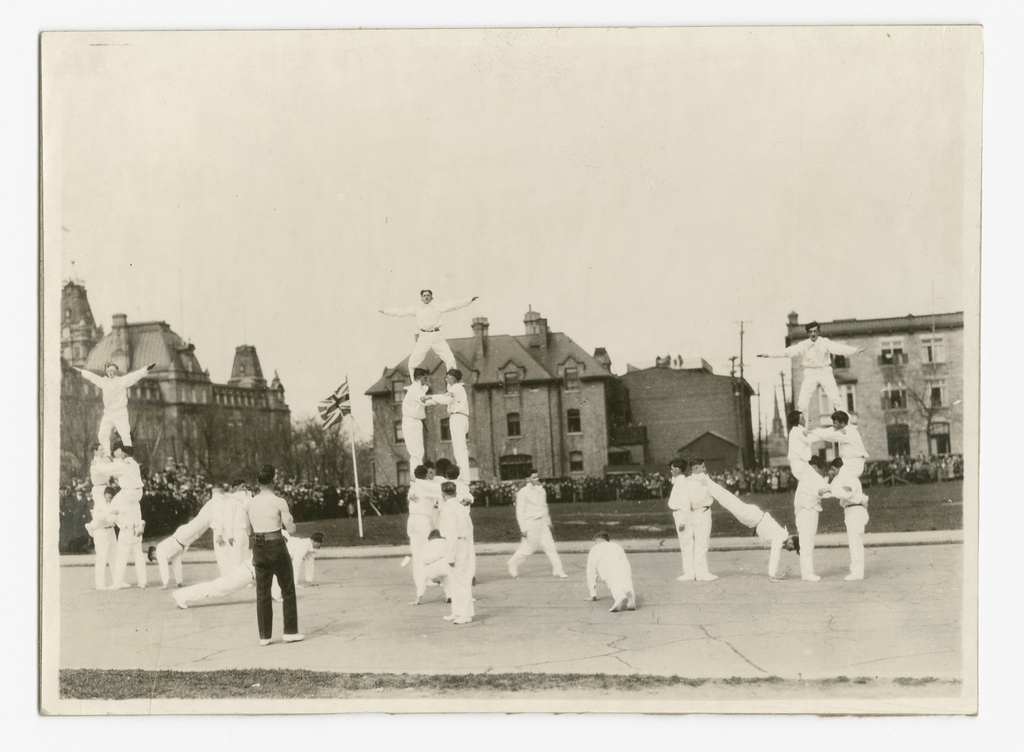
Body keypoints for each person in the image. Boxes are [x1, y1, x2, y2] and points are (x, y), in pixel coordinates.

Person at [698, 474, 798, 580]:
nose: (789, 550)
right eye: (792, 549)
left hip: (753, 516)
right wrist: (772, 574)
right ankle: (707, 482)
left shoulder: (783, 534)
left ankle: (708, 482)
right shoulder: (781, 537)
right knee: (727, 500)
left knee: (727, 500)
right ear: (791, 542)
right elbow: (775, 555)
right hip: (751, 517)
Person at [246, 464, 302, 646]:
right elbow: (291, 529)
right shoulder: (279, 502)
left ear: (258, 482)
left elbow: (248, 530)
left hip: (258, 546)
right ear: (273, 480)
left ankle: (265, 636)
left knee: (262, 591)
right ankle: (290, 632)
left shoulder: (250, 503)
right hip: (275, 544)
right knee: (287, 588)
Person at [757, 321, 864, 414]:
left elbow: (838, 348)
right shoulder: (804, 345)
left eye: (815, 331)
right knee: (802, 402)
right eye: (811, 331)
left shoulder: (824, 342)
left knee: (835, 398)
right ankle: (804, 426)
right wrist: (769, 354)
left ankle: (845, 422)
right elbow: (788, 351)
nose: (813, 334)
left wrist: (854, 350)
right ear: (807, 333)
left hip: (824, 371)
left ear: (818, 332)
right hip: (810, 373)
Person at [380, 290, 479, 372]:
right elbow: (400, 312)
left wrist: (470, 300)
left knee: (450, 359)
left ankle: (452, 383)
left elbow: (454, 305)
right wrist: (385, 311)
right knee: (412, 362)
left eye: (428, 295)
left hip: (436, 336)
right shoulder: (417, 309)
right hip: (423, 337)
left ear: (432, 297)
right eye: (424, 295)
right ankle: (414, 384)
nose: (426, 297)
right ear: (421, 298)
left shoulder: (438, 307)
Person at [73, 361, 156, 454]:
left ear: (116, 371)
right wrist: (81, 372)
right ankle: (106, 455)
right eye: (108, 370)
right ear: (107, 372)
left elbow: (134, 375)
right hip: (108, 413)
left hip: (120, 413)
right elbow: (93, 377)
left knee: (125, 435)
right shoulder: (104, 382)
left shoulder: (122, 381)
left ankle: (128, 456)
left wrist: (146, 369)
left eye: (112, 370)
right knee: (102, 434)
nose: (110, 372)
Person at [507, 470, 568, 579]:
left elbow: (544, 507)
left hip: (542, 523)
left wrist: (548, 522)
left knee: (551, 547)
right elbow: (520, 512)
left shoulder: (541, 490)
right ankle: (512, 563)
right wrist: (523, 529)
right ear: (527, 479)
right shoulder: (523, 492)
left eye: (537, 477)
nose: (537, 479)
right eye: (534, 477)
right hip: (530, 524)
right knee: (527, 549)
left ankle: (558, 570)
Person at [107, 446, 148, 589]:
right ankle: (143, 581)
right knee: (138, 554)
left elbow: (112, 469)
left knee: (111, 511)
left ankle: (117, 583)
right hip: (136, 502)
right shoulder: (134, 464)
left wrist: (102, 463)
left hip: (127, 525)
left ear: (124, 454)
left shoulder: (125, 465)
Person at [825, 458, 870, 581]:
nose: (833, 472)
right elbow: (833, 490)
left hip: (856, 510)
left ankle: (857, 572)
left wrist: (830, 489)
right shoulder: (843, 480)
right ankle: (856, 570)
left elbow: (845, 494)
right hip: (851, 511)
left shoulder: (852, 479)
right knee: (853, 542)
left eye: (834, 469)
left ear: (841, 468)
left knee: (855, 542)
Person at [438, 481, 474, 624]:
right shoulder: (460, 507)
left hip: (455, 544)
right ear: (456, 493)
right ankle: (457, 612)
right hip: (461, 542)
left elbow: (452, 533)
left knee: (460, 580)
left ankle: (465, 614)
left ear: (442, 494)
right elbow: (470, 527)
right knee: (455, 580)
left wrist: (451, 555)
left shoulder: (448, 509)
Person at [83, 444, 119, 590]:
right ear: (95, 452)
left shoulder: (103, 461)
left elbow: (112, 467)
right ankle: (100, 583)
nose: (104, 451)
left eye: (104, 449)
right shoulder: (96, 464)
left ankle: (118, 580)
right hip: (99, 488)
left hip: (105, 487)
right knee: (102, 514)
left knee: (114, 555)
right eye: (101, 449)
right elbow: (107, 469)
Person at [406, 465, 442, 602]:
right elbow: (439, 493)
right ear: (426, 474)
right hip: (422, 519)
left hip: (412, 519)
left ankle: (420, 580)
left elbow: (411, 496)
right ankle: (425, 579)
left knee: (416, 552)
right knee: (424, 551)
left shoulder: (413, 487)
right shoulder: (426, 485)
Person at [793, 456, 832, 581]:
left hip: (807, 511)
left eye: (815, 467)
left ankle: (808, 572)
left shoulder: (810, 478)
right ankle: (807, 573)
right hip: (806, 512)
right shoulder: (810, 478)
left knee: (807, 543)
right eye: (812, 466)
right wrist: (834, 488)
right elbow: (825, 492)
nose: (813, 469)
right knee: (807, 543)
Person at [173, 556, 256, 610]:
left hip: (245, 571)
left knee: (215, 588)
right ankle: (181, 595)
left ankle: (181, 594)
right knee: (215, 588)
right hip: (245, 574)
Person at [429, 369, 471, 475]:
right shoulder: (458, 388)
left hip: (457, 418)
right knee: (460, 448)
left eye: (447, 377)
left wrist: (431, 396)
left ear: (452, 379)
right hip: (461, 418)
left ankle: (464, 477)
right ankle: (463, 475)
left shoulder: (455, 388)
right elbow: (445, 396)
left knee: (459, 449)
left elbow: (446, 400)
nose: (445, 379)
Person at [684, 459, 718, 581]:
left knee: (702, 543)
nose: (705, 469)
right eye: (702, 467)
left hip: (703, 511)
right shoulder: (693, 481)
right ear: (696, 468)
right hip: (700, 512)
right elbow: (695, 499)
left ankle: (701, 571)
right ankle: (701, 573)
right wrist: (704, 486)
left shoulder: (699, 479)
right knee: (701, 544)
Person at [584, 532, 636, 612]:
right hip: (623, 565)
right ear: (608, 540)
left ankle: (619, 596)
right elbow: (624, 559)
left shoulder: (594, 549)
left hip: (606, 566)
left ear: (597, 540)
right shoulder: (617, 545)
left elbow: (591, 572)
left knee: (613, 581)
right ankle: (630, 595)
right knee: (625, 579)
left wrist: (593, 594)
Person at [813, 410, 869, 484]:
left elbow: (830, 436)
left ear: (842, 423)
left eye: (835, 423)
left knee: (839, 486)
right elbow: (828, 431)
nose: (833, 425)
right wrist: (812, 431)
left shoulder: (849, 431)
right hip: (849, 463)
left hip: (855, 464)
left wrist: (813, 432)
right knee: (836, 484)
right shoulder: (843, 430)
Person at [444, 464, 477, 584]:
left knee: (451, 544)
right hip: (465, 518)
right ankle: (471, 575)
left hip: (452, 518)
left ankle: (451, 573)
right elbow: (469, 498)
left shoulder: (445, 486)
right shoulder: (463, 486)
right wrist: (464, 501)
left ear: (446, 475)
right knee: (469, 547)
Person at [272, 532, 326, 601]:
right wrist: (294, 583)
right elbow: (296, 563)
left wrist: (310, 581)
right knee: (278, 573)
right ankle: (275, 594)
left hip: (286, 552)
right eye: (320, 542)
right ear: (314, 541)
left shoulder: (309, 546)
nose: (321, 545)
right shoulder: (305, 544)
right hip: (283, 551)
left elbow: (310, 563)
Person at [211, 484, 251, 576]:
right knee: (234, 555)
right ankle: (233, 577)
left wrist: (220, 534)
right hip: (233, 530)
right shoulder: (229, 501)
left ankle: (229, 577)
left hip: (221, 530)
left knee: (225, 556)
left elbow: (221, 519)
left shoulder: (219, 503)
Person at [666, 458, 696, 581]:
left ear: (678, 470)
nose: (670, 471)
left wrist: (683, 521)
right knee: (686, 543)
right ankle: (690, 571)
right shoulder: (679, 480)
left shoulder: (681, 482)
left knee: (686, 544)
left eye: (672, 469)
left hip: (682, 515)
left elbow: (686, 504)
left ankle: (689, 572)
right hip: (679, 514)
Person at [408, 530, 453, 606]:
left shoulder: (426, 545)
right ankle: (450, 596)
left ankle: (418, 600)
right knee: (447, 578)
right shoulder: (445, 542)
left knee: (423, 575)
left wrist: (417, 598)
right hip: (446, 570)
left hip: (431, 573)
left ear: (430, 538)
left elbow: (422, 565)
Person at [401, 368, 435, 469]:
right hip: (411, 421)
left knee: (419, 452)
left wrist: (425, 386)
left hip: (415, 421)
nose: (426, 380)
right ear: (417, 378)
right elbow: (425, 400)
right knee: (416, 453)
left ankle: (418, 476)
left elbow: (424, 388)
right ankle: (415, 479)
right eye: (424, 378)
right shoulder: (415, 389)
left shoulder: (417, 388)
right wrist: (438, 399)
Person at [786, 410, 822, 484]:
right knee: (815, 484)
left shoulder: (794, 431)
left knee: (816, 482)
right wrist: (832, 432)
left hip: (801, 464)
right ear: (797, 421)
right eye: (802, 418)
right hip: (799, 465)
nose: (805, 420)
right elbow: (814, 437)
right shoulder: (799, 431)